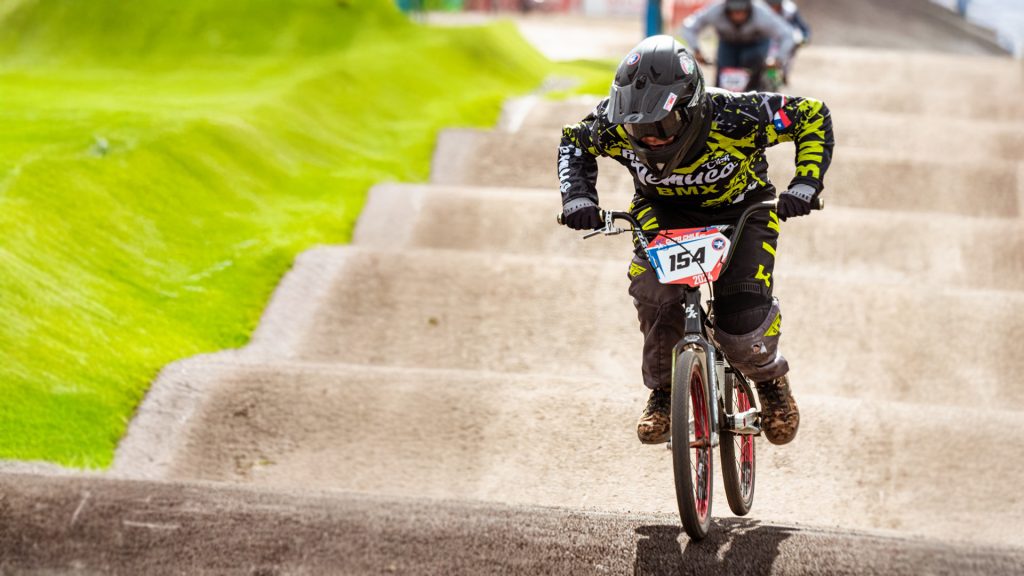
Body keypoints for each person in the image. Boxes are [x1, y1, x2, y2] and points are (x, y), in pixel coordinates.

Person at [557, 35, 834, 446]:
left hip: (741, 211)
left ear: (692, 107)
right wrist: (578, 198)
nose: (648, 137)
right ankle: (664, 392)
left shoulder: (737, 115)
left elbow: (810, 115)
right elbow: (574, 142)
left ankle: (769, 380)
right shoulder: (611, 123)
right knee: (657, 297)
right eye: (636, 126)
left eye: (661, 125)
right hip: (663, 212)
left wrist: (806, 183)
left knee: (741, 319)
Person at [681, 0, 795, 91]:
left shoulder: (761, 13)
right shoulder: (715, 10)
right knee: (722, 76)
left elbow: (787, 35)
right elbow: (689, 27)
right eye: (733, 11)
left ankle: (755, 96)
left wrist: (778, 59)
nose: (738, 15)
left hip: (756, 46)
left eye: (742, 11)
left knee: (752, 68)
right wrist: (696, 50)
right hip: (727, 45)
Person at [765, 0, 811, 82]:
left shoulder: (790, 10)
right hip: (770, 39)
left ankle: (784, 74)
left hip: (788, 39)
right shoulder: (761, 10)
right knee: (770, 59)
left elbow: (802, 26)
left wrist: (805, 37)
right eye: (771, 6)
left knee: (786, 57)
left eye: (775, 6)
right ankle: (770, 78)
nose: (774, 9)